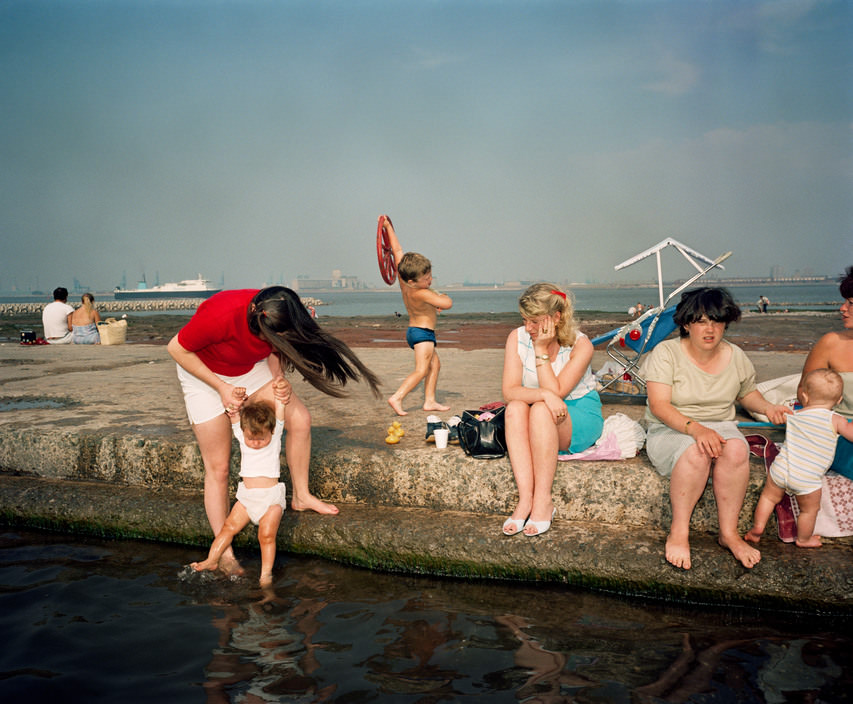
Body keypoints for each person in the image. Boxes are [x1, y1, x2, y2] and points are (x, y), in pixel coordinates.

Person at [168, 286, 381, 575]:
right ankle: (224, 554)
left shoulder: (281, 309)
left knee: (300, 419)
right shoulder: (222, 314)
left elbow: (274, 351)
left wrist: (278, 378)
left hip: (248, 370)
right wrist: (222, 388)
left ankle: (302, 496)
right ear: (256, 322)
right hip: (203, 375)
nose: (280, 341)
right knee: (217, 467)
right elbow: (176, 348)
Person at [641, 287, 791, 570]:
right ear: (686, 324)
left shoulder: (735, 355)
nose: (710, 329)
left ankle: (729, 534)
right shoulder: (667, 353)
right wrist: (696, 430)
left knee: (736, 449)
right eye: (701, 321)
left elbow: (747, 394)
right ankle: (679, 531)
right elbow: (659, 406)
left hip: (721, 425)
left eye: (716, 320)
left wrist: (768, 407)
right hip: (672, 427)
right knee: (697, 453)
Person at [500, 283, 603, 537]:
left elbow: (558, 392)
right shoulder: (517, 337)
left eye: (534, 321)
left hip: (578, 413)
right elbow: (510, 390)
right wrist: (544, 394)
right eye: (525, 320)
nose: (528, 328)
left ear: (556, 318)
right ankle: (525, 499)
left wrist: (540, 351)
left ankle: (543, 500)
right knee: (514, 408)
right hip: (543, 407)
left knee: (540, 410)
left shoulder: (581, 346)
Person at [746, 368, 853, 549]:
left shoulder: (793, 414)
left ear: (803, 396)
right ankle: (804, 539)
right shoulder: (836, 419)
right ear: (839, 400)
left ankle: (757, 528)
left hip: (781, 469)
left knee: (768, 498)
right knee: (809, 510)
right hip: (806, 478)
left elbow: (779, 418)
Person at [192, 394, 288, 585]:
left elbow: (280, 413)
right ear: (244, 432)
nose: (256, 443)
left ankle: (265, 574)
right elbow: (234, 416)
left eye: (261, 438)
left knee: (267, 536)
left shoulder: (276, 435)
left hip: (270, 499)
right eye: (251, 438)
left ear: (271, 431)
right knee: (227, 528)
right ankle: (212, 559)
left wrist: (279, 396)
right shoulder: (243, 437)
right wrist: (233, 406)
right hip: (246, 498)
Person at [380, 216, 454, 416]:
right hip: (423, 333)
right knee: (421, 370)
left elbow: (397, 251)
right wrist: (441, 295)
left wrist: (387, 227)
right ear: (413, 280)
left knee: (434, 365)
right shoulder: (422, 293)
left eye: (430, 276)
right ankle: (397, 397)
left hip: (415, 331)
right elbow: (447, 303)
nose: (430, 280)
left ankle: (429, 400)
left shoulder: (405, 284)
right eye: (426, 279)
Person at [797, 266, 853, 479]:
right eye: (844, 301)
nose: (842, 308)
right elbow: (803, 392)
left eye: (851, 303)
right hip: (836, 435)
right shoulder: (831, 343)